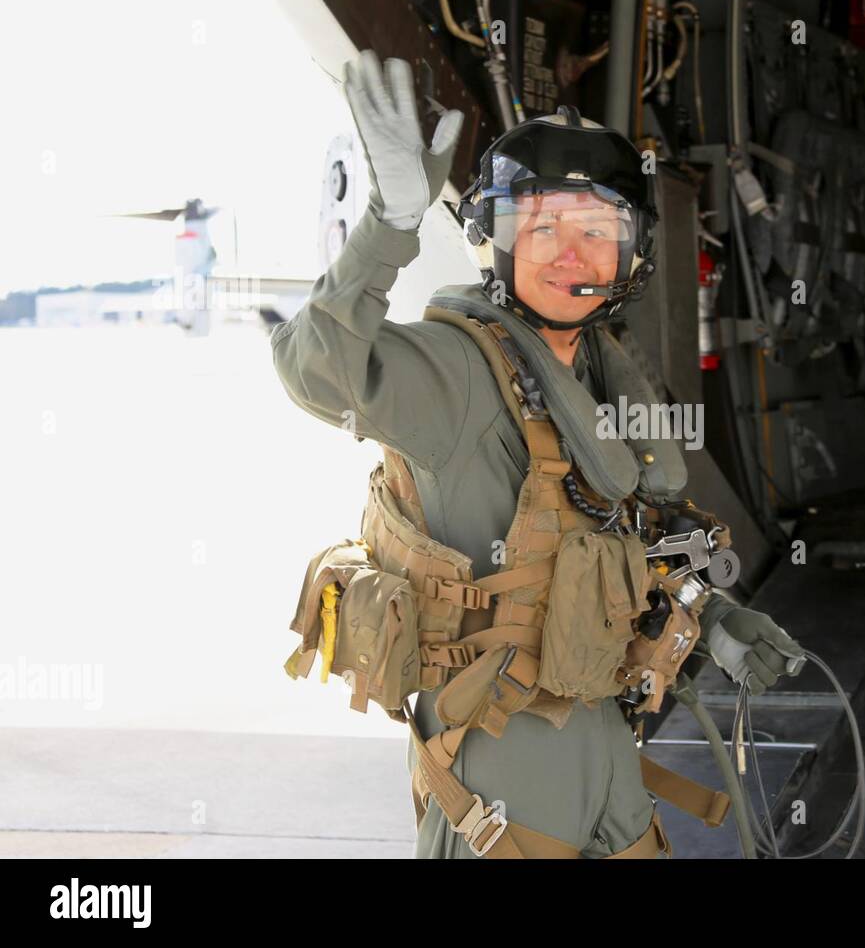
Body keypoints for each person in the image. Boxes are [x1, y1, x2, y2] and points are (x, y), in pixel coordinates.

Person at [270, 51, 805, 858]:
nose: (570, 254)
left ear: (632, 254)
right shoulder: (454, 372)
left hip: (601, 735)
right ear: (494, 241)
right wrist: (389, 225)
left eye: (597, 231)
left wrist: (714, 621)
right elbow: (312, 369)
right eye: (541, 227)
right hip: (500, 755)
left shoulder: (599, 376)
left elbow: (614, 546)